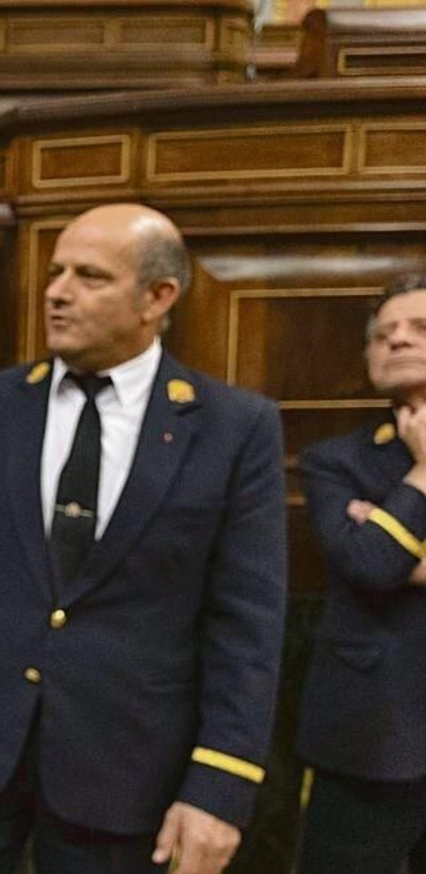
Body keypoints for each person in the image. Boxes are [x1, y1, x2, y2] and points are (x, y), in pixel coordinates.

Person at [0, 203, 287, 874]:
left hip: (126, 774)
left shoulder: (233, 428)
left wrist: (220, 786)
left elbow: (247, 622)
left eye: (89, 276)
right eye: (56, 271)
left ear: (159, 297)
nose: (57, 292)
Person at [296, 273, 426, 873]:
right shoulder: (335, 461)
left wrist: (388, 528)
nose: (397, 341)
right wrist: (423, 472)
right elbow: (371, 567)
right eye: (383, 334)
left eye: (419, 329)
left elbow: (380, 552)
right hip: (369, 740)